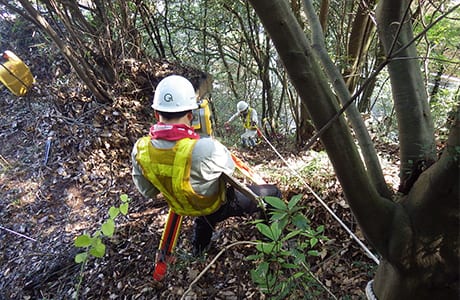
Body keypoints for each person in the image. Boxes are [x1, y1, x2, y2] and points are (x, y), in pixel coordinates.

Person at [131, 75, 281, 256]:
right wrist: (205, 141)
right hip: (214, 204)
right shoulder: (205, 148)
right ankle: (269, 239)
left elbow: (148, 192)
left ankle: (199, 249)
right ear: (190, 115)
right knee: (274, 193)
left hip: (182, 206)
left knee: (203, 211)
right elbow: (229, 169)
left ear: (156, 114)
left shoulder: (141, 149)